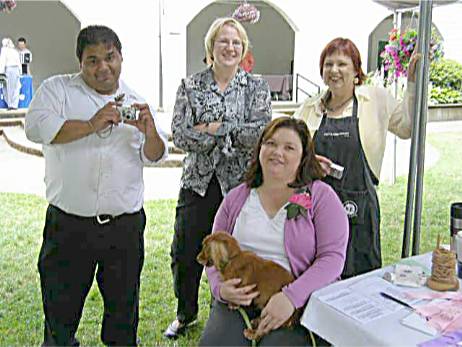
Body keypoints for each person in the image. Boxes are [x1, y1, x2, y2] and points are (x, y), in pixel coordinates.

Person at [25, 25, 168, 346]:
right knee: (59, 315)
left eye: (109, 57)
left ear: (121, 57)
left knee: (123, 314)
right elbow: (35, 128)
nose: (103, 67)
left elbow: (155, 156)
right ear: (80, 63)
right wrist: (92, 124)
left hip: (124, 229)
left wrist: (150, 132)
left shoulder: (136, 100)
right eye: (92, 60)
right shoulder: (57, 90)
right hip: (69, 226)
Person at [199, 117, 349, 346]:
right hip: (237, 303)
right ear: (260, 149)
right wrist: (220, 288)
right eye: (270, 143)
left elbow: (332, 259)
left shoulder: (321, 197)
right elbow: (212, 252)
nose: (277, 152)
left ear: (303, 157)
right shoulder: (236, 198)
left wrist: (291, 297)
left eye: (289, 147)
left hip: (296, 303)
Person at [165, 17, 272, 338]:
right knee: (185, 253)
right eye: (223, 41)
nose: (229, 47)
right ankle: (185, 313)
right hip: (198, 185)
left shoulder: (256, 88)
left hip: (241, 186)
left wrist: (215, 128)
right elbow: (180, 136)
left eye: (236, 42)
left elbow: (260, 133)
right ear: (211, 47)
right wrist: (233, 132)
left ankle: (238, 310)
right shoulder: (190, 86)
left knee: (241, 252)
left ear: (244, 49)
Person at [294, 37, 419, 278]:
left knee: (360, 280)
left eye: (342, 64)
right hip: (315, 208)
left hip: (360, 209)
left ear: (356, 71)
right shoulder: (309, 108)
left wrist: (412, 83)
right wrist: (308, 164)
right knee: (317, 276)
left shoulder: (375, 100)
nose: (334, 70)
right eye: (328, 64)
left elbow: (407, 128)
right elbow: (290, 153)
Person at [0, 37, 21, 109]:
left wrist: (1, 73)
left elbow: (2, 62)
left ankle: (10, 105)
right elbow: (19, 62)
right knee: (15, 88)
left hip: (9, 69)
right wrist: (20, 72)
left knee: (9, 88)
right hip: (16, 70)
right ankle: (14, 105)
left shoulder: (4, 50)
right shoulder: (14, 51)